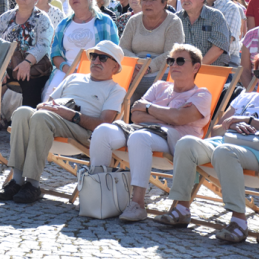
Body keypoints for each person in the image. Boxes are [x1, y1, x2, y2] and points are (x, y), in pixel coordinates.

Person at [155, 51, 259, 243]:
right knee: (186, 143)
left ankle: (239, 223)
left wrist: (253, 121)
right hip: (228, 146)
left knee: (224, 152)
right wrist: (232, 124)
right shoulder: (245, 98)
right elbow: (216, 132)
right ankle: (181, 208)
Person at [90, 44, 213, 221]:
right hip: (145, 131)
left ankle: (137, 203)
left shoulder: (201, 94)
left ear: (196, 67)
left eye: (180, 61)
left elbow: (179, 119)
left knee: (140, 137)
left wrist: (149, 108)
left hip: (176, 142)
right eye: (171, 61)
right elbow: (136, 115)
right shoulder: (159, 87)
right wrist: (167, 116)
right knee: (103, 130)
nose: (174, 65)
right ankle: (98, 195)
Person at [0, 41, 127, 204]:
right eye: (94, 56)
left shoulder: (116, 89)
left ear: (115, 67)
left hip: (83, 131)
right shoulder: (73, 77)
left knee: (41, 118)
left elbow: (103, 124)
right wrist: (47, 107)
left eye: (103, 58)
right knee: (22, 112)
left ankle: (33, 184)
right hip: (52, 120)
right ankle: (16, 181)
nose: (96, 61)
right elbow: (49, 102)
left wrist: (72, 115)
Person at [44, 0, 120, 99]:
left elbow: (114, 53)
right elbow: (55, 55)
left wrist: (87, 71)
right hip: (66, 69)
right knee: (50, 97)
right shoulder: (63, 24)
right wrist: (68, 70)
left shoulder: (105, 21)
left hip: (95, 71)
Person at [0, 0, 54, 107]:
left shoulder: (42, 18)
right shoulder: (6, 17)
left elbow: (43, 45)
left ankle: (26, 119)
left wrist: (27, 63)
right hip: (6, 65)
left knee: (31, 83)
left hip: (32, 66)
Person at [120, 0, 185, 101]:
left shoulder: (174, 22)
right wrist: (136, 64)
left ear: (164, 3)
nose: (147, 4)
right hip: (134, 70)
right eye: (144, 0)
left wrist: (148, 67)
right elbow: (123, 48)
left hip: (161, 72)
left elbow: (172, 53)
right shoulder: (134, 20)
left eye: (153, 0)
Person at [176, 0, 231, 66]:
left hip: (212, 71)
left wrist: (196, 67)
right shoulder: (177, 18)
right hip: (184, 71)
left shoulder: (215, 16)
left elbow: (218, 48)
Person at [201, 0, 243, 66]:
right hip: (199, 60)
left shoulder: (230, 8)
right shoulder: (196, 6)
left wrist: (197, 67)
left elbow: (223, 44)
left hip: (225, 61)